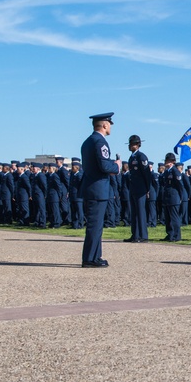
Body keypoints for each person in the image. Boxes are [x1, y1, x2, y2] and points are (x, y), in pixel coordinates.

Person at [80, 112, 120, 268]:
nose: (110, 127)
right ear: (104, 125)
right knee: (95, 226)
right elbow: (104, 166)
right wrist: (116, 165)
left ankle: (95, 256)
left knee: (96, 225)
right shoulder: (100, 142)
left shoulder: (88, 141)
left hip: (92, 188)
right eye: (109, 124)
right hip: (98, 189)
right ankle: (90, 258)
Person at [125, 135, 151, 243]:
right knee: (134, 212)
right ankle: (135, 235)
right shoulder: (132, 157)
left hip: (141, 188)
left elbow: (147, 174)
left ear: (138, 145)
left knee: (141, 212)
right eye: (130, 144)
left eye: (133, 144)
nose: (131, 146)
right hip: (133, 187)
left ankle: (143, 235)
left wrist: (147, 188)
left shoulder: (141, 157)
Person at [159, 152, 183, 242]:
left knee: (174, 218)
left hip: (174, 197)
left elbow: (180, 185)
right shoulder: (166, 171)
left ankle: (176, 235)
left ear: (172, 162)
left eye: (167, 160)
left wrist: (180, 197)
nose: (165, 162)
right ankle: (170, 234)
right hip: (167, 197)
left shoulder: (175, 171)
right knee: (168, 218)